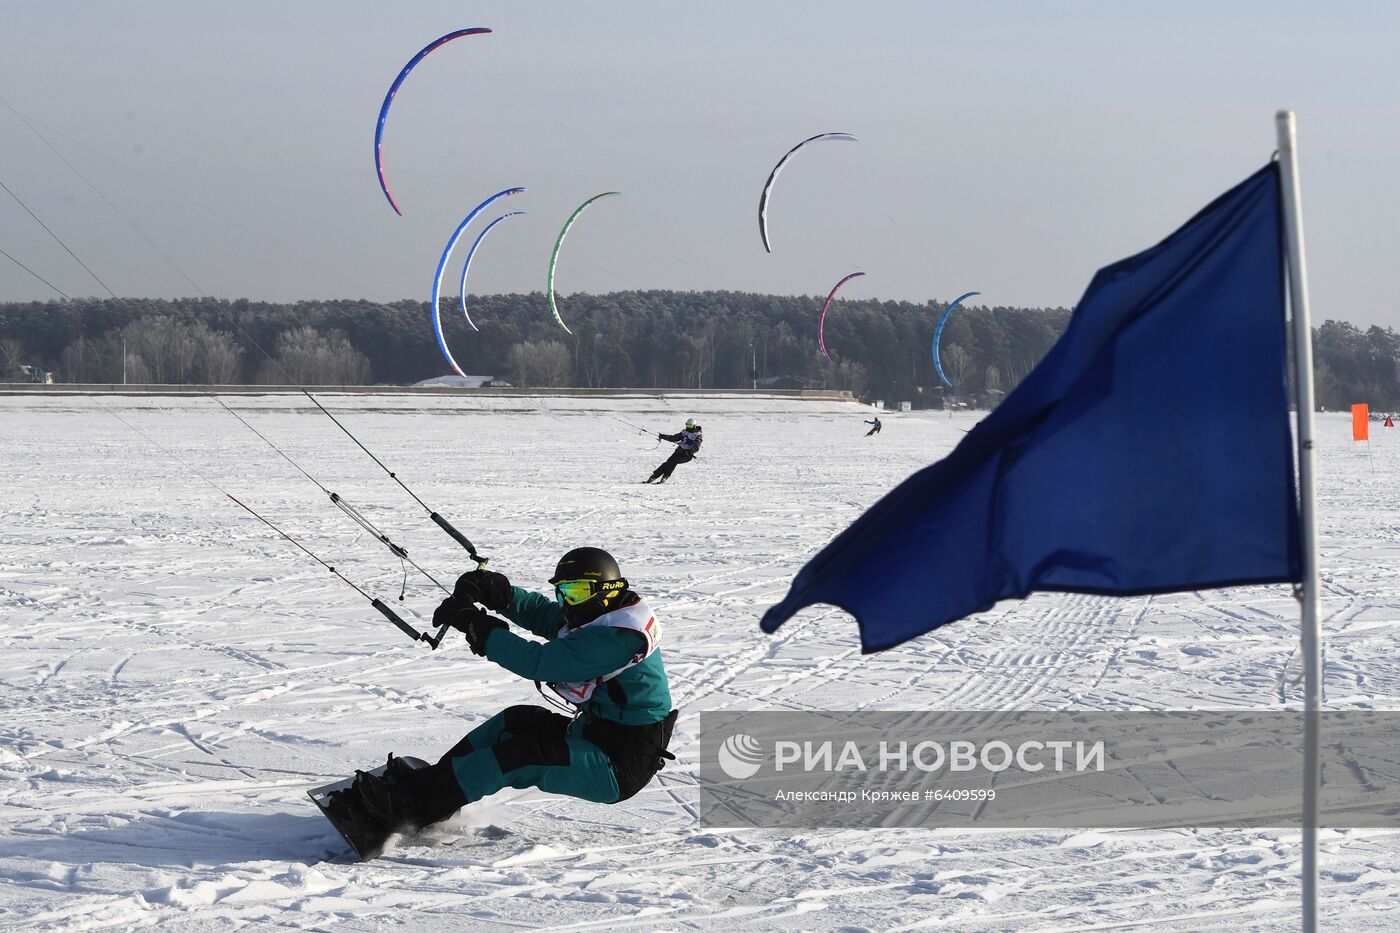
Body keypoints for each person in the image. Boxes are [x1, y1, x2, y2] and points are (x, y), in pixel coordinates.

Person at [327, 547, 676, 858]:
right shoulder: (599, 614)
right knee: (515, 722)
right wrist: (503, 595)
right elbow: (548, 617)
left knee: (517, 757)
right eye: (563, 591)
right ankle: (432, 791)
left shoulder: (618, 638)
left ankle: (408, 808)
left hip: (617, 763)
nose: (567, 600)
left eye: (578, 591)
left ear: (606, 590)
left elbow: (538, 662)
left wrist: (477, 624)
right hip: (593, 734)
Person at [645, 418, 703, 484]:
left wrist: (689, 451)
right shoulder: (684, 432)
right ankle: (654, 477)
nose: (688, 427)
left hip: (687, 455)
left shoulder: (698, 435)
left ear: (694, 426)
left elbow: (696, 446)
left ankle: (664, 477)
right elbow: (674, 438)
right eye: (687, 425)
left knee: (672, 461)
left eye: (690, 426)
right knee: (667, 463)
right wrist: (663, 436)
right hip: (679, 452)